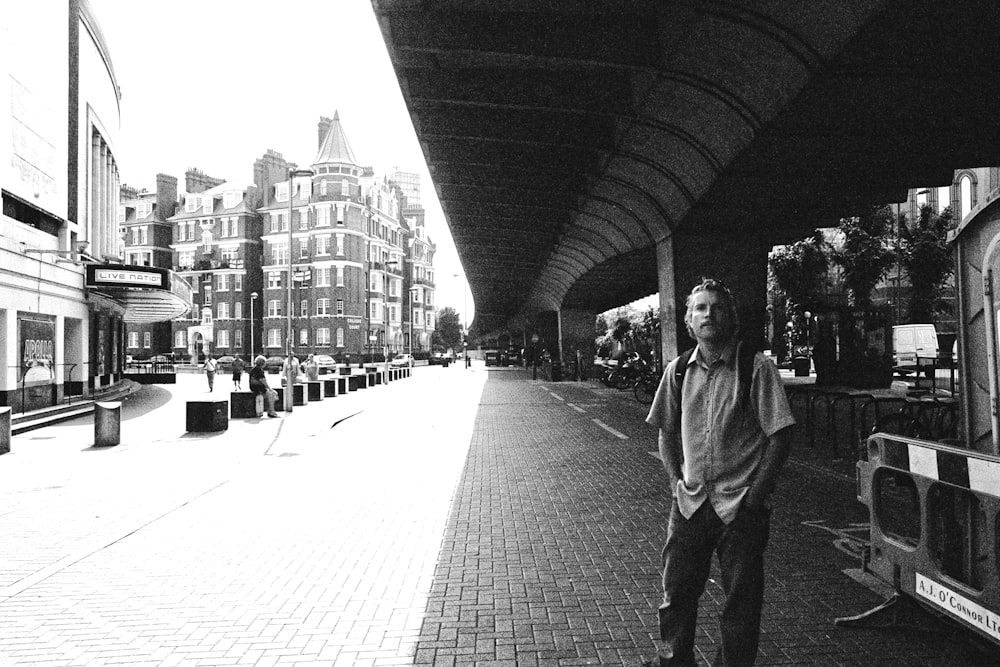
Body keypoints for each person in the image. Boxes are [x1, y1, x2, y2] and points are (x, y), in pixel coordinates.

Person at [643, 278, 795, 667]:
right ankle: (674, 662)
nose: (708, 313)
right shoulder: (677, 372)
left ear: (732, 317)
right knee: (675, 597)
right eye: (700, 308)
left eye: (717, 307)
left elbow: (780, 436)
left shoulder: (755, 367)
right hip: (690, 504)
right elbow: (666, 433)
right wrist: (676, 484)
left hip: (741, 506)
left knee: (740, 604)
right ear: (689, 323)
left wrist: (755, 498)